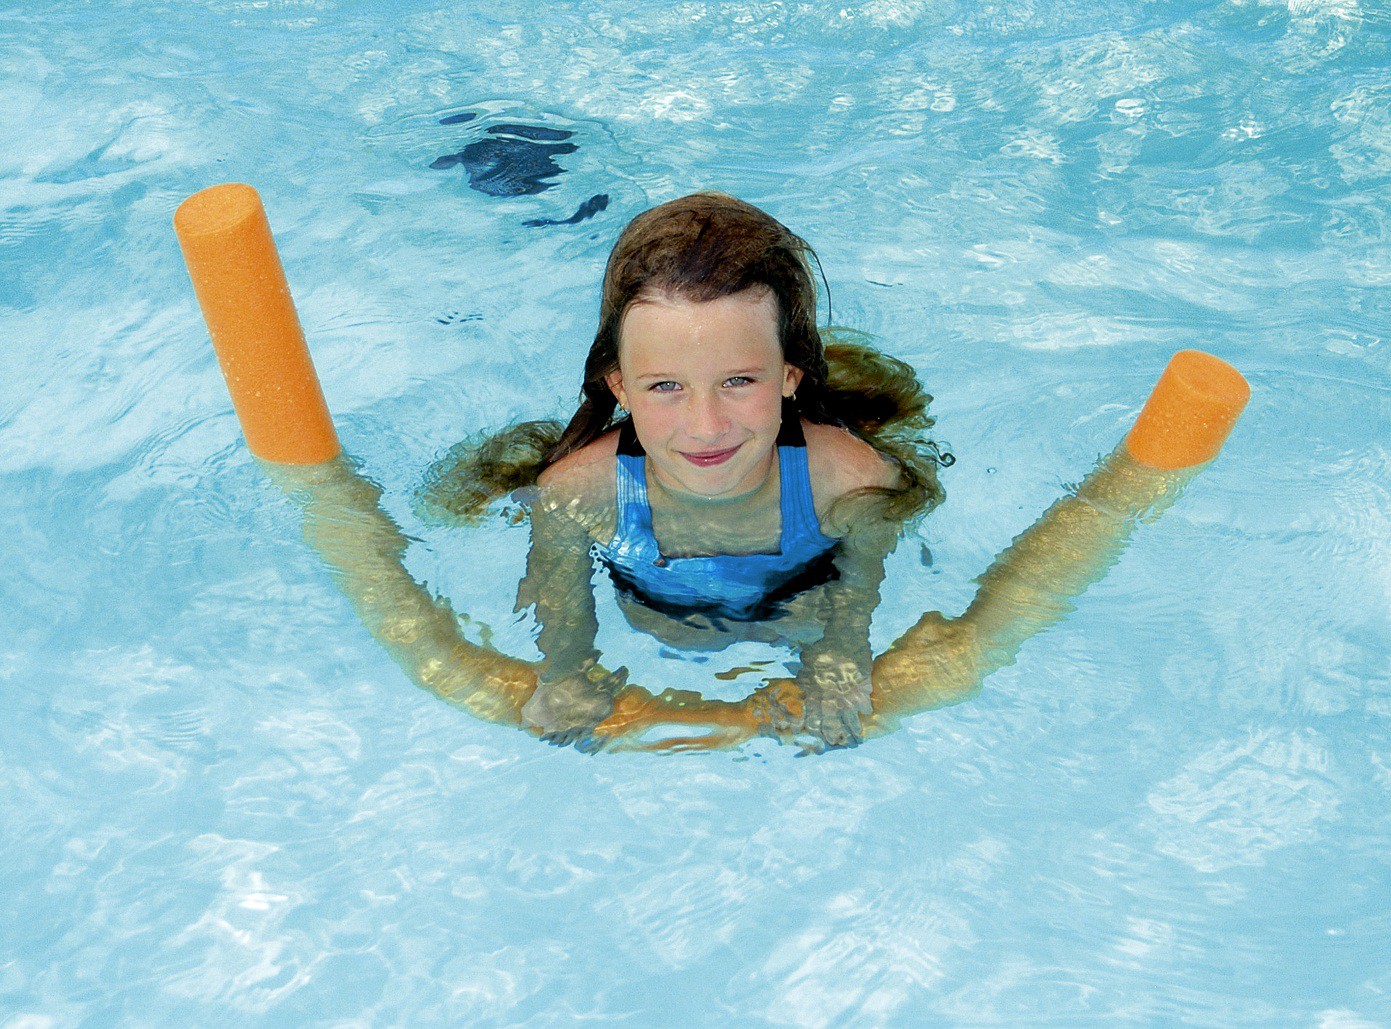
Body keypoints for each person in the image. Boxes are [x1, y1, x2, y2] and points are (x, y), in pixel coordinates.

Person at [417, 193, 949, 750]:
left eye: (739, 381)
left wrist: (840, 665)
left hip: (797, 607)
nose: (705, 426)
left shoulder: (851, 481)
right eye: (666, 386)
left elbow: (856, 603)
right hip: (656, 618)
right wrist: (566, 677)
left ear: (790, 375)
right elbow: (562, 626)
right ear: (620, 387)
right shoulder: (577, 495)